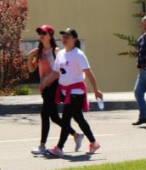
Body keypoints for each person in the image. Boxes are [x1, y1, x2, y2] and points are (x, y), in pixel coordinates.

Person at [47, 28, 103, 158]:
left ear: (74, 39)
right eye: (63, 36)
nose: (64, 39)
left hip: (76, 91)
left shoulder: (79, 54)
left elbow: (88, 72)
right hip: (66, 91)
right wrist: (45, 83)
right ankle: (94, 143)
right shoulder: (60, 54)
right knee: (78, 118)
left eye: (68, 36)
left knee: (66, 118)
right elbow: (56, 72)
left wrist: (96, 89)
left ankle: (59, 148)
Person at [28, 24, 80, 156]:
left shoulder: (55, 51)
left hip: (54, 85)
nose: (41, 36)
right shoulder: (39, 51)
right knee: (55, 117)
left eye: (44, 33)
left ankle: (42, 145)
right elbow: (31, 69)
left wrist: (49, 82)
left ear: (50, 35)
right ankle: (75, 134)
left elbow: (60, 71)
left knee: (45, 115)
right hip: (45, 87)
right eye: (40, 33)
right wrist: (29, 57)